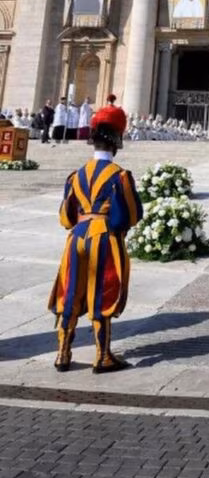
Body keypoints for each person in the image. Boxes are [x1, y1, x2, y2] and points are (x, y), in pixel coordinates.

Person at [48, 103, 142, 373]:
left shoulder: (75, 176)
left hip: (76, 237)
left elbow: (65, 216)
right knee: (103, 291)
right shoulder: (120, 176)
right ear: (116, 143)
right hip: (103, 239)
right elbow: (131, 214)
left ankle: (63, 353)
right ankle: (102, 356)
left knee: (70, 292)